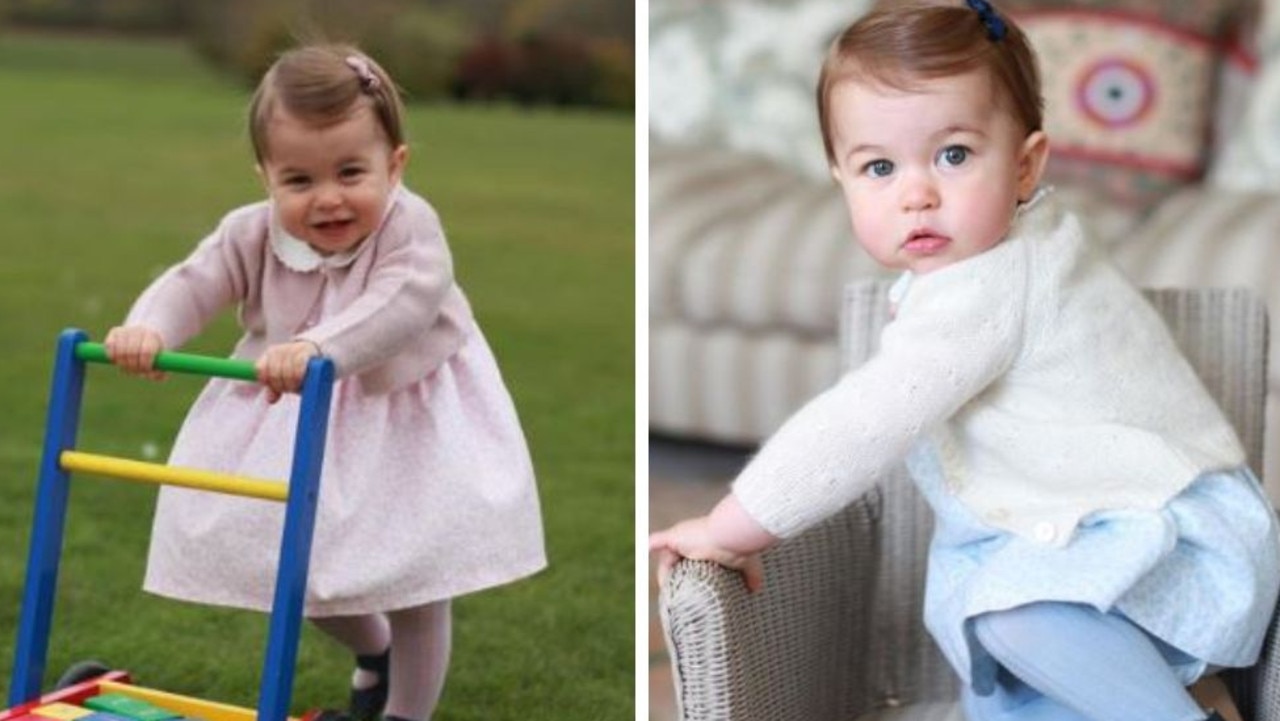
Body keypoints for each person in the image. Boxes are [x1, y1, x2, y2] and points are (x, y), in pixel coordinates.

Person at [648, 3, 1280, 720]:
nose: (917, 193)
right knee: (1016, 675)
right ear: (840, 178)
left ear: (1025, 165)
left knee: (1008, 618)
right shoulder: (1022, 248)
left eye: (954, 154)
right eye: (879, 167)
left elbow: (862, 423)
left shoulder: (988, 287)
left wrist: (734, 526)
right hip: (1118, 546)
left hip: (1163, 549)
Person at [104, 44, 546, 721]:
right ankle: (375, 650)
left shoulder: (411, 228)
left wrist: (316, 344)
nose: (328, 198)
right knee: (293, 566)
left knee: (414, 574)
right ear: (266, 177)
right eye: (299, 180)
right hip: (296, 408)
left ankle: (405, 713)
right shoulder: (251, 233)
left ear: (393, 165)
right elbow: (194, 281)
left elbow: (401, 304)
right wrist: (150, 327)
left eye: (350, 172)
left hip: (406, 412)